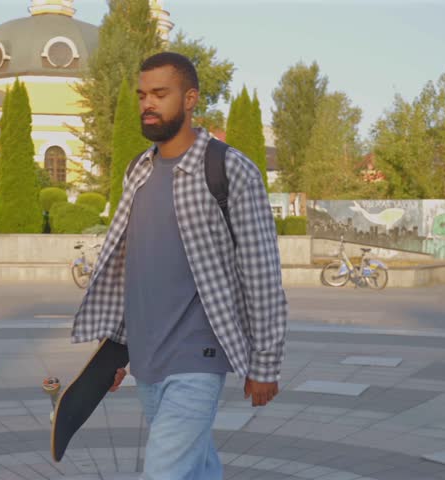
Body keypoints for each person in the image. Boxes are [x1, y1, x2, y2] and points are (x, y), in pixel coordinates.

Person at [71, 52, 287, 480]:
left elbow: (261, 272)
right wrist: (113, 353)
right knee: (196, 465)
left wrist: (265, 363)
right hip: (147, 357)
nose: (147, 104)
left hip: (198, 355)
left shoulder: (229, 169)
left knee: (163, 471)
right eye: (142, 95)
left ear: (190, 99)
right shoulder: (138, 171)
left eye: (159, 94)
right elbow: (131, 269)